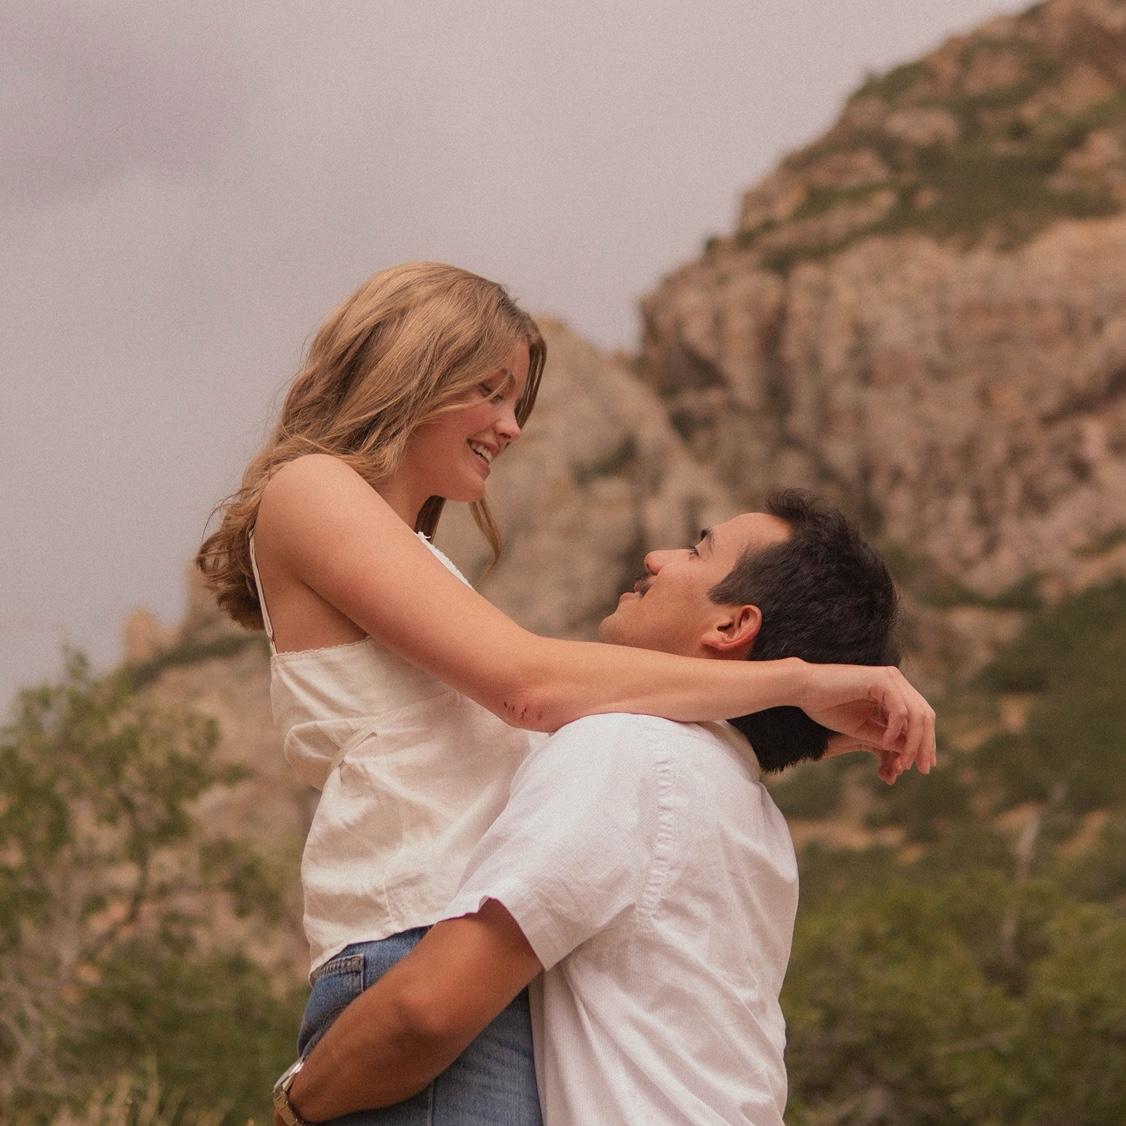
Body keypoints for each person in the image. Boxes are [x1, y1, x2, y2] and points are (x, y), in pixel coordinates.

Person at [196, 262, 934, 1123]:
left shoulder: (416, 560)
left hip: (472, 965)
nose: (511, 427)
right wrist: (799, 682)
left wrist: (792, 721)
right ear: (414, 367)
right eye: (491, 392)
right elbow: (531, 687)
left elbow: (567, 701)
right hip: (411, 949)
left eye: (518, 403)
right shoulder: (312, 489)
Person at [273, 492, 907, 1125]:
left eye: (697, 551)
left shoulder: (628, 749)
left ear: (731, 627)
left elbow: (427, 1012)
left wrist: (295, 1104)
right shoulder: (752, 815)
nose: (658, 557)